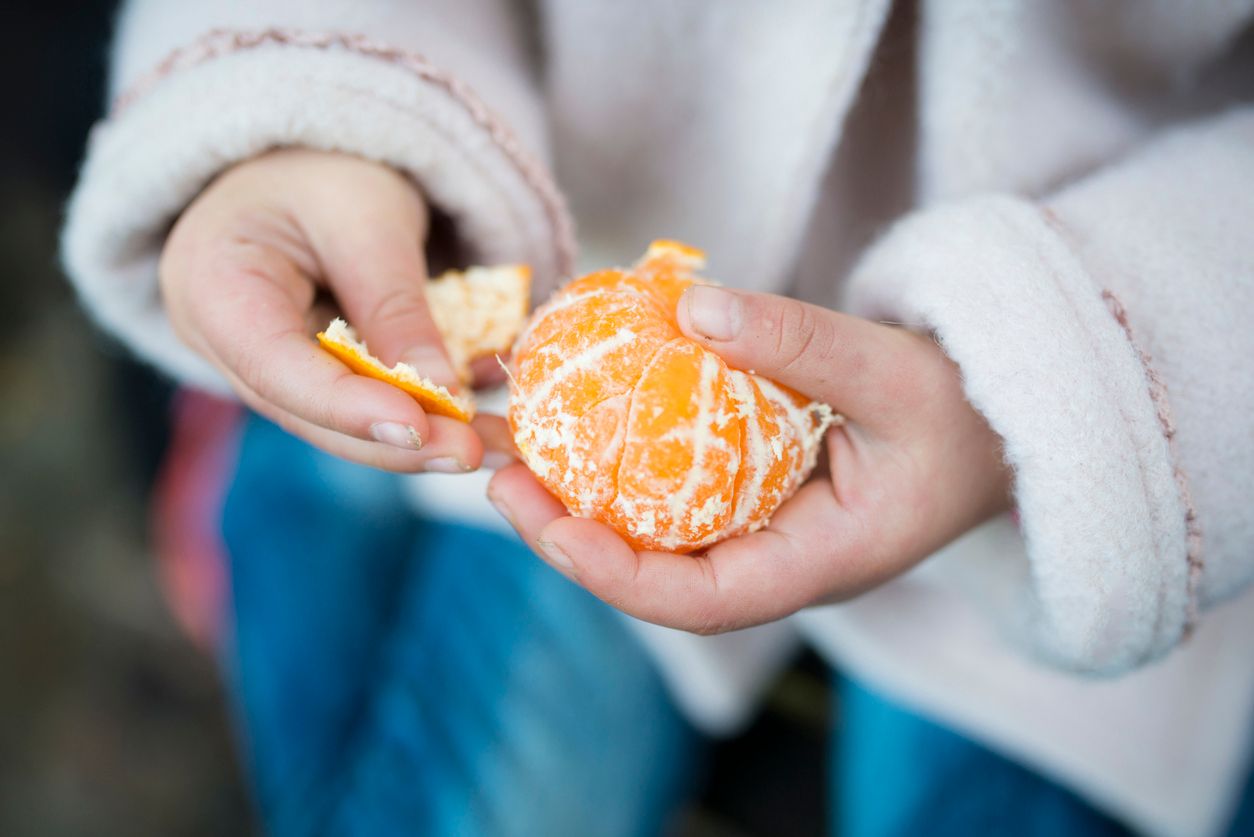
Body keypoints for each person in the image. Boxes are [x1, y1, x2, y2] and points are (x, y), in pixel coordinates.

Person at [63, 1, 1254, 835]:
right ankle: (285, 448)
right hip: (547, 281)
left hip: (1091, 432)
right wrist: (307, 101)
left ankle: (279, 466)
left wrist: (1062, 391)